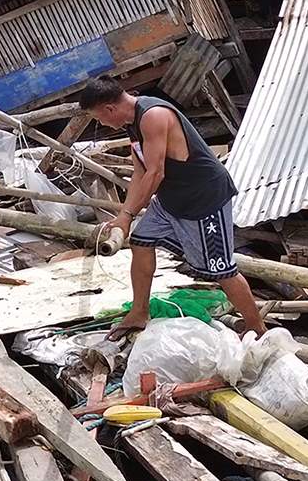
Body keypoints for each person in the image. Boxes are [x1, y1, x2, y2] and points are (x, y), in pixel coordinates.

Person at [77, 76, 267, 338]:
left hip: (204, 199)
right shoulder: (132, 124)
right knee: (142, 241)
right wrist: (123, 215)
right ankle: (139, 312)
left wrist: (129, 214)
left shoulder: (153, 116)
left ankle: (257, 328)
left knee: (222, 269)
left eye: (99, 118)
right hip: (172, 200)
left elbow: (156, 174)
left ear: (110, 109)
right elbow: (140, 172)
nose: (102, 124)